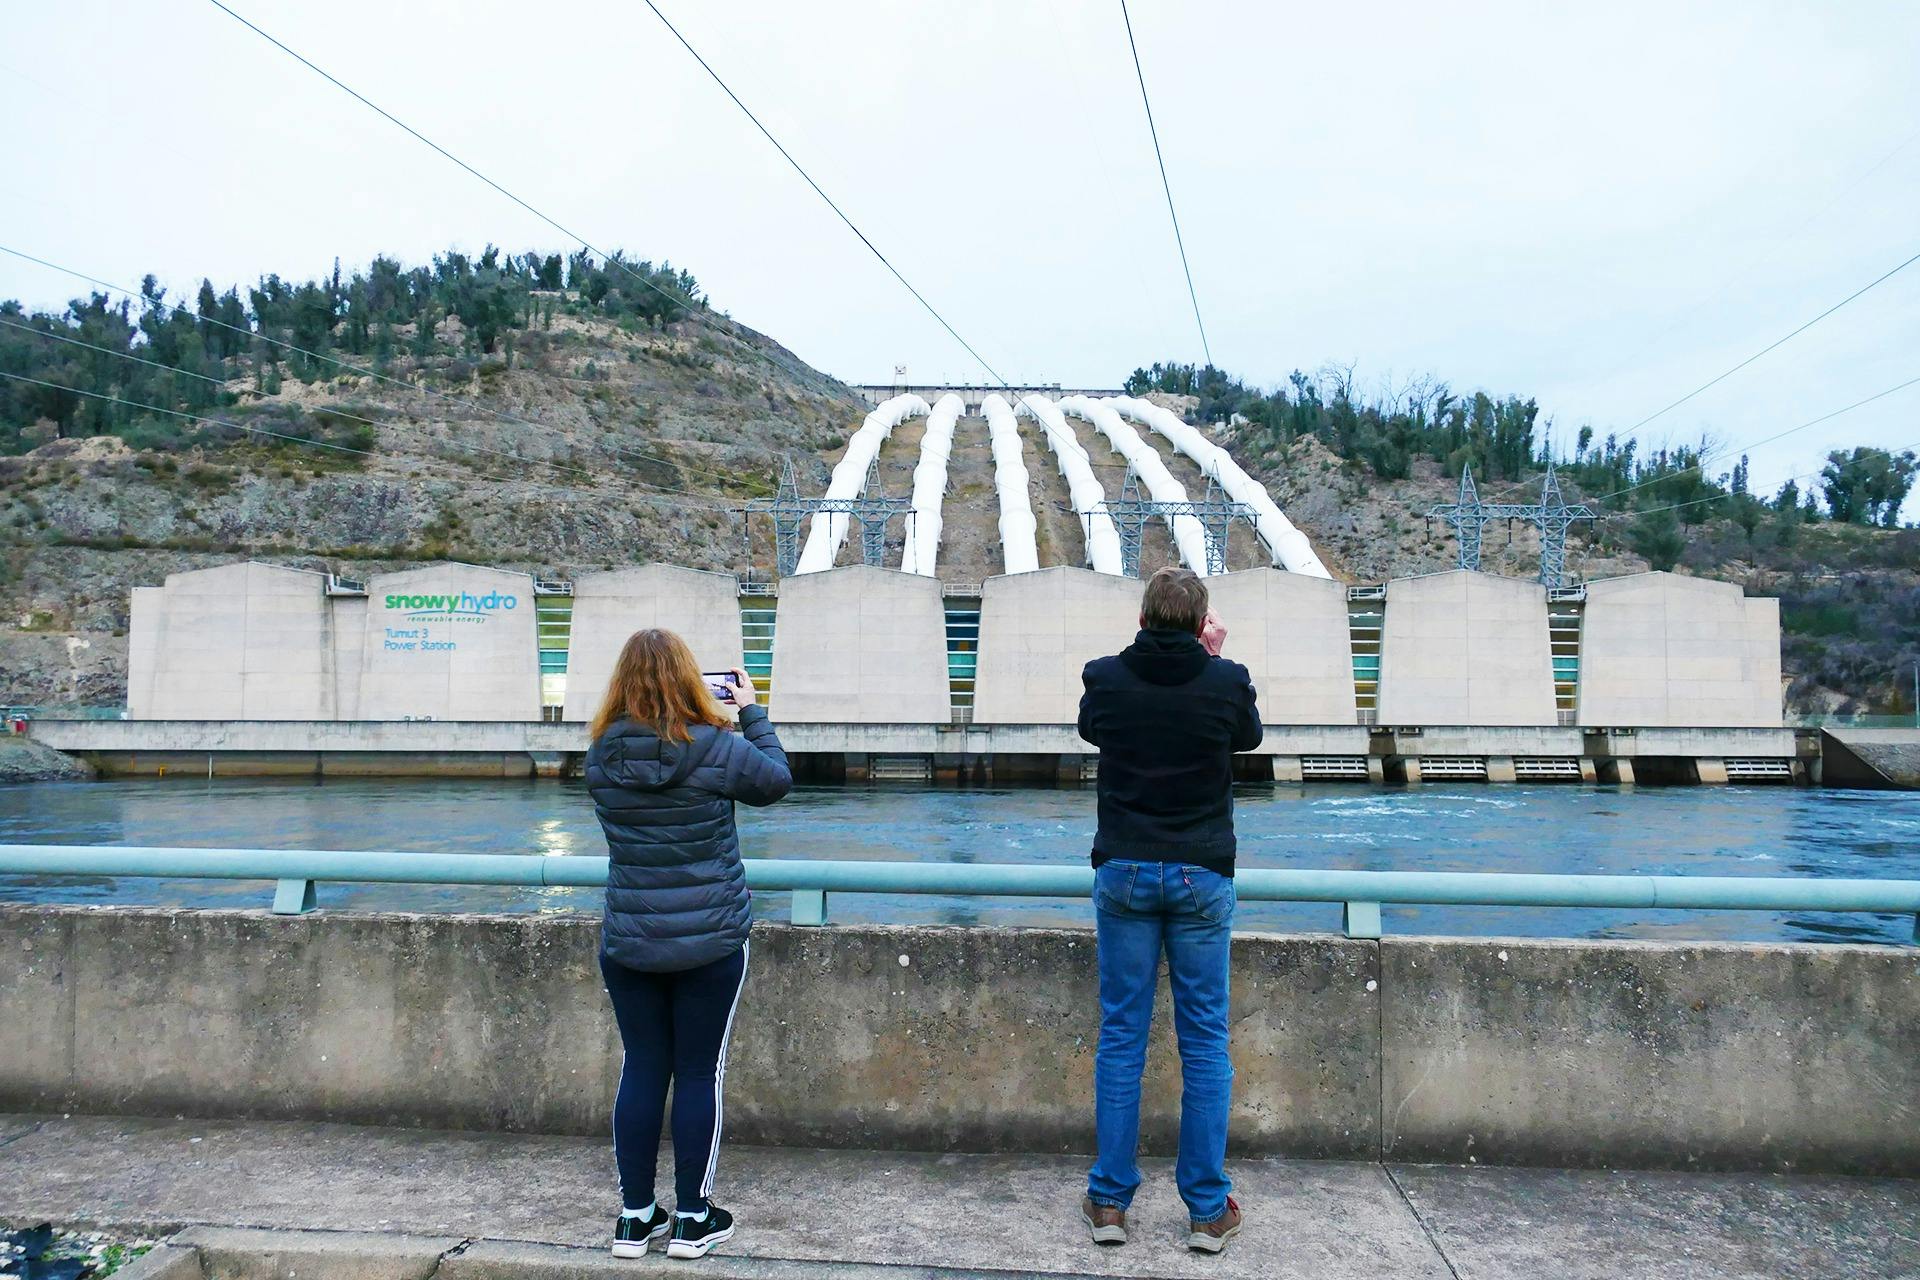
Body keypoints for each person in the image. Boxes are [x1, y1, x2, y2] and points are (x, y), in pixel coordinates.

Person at [584, 628, 791, 1261]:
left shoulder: (600, 756)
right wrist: (750, 712)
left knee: (643, 1066)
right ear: (690, 680)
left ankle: (634, 1218)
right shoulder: (716, 748)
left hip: (630, 938)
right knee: (699, 1072)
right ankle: (693, 1219)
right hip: (710, 940)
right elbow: (776, 781)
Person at [1076, 566, 1262, 1254]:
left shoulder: (1106, 677)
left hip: (1124, 868)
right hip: (1201, 872)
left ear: (1142, 618)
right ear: (1201, 622)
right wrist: (1211, 659)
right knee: (1205, 1041)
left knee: (1122, 1036)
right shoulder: (1226, 681)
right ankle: (1207, 1211)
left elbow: (1092, 729)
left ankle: (1108, 1203)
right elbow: (1247, 737)